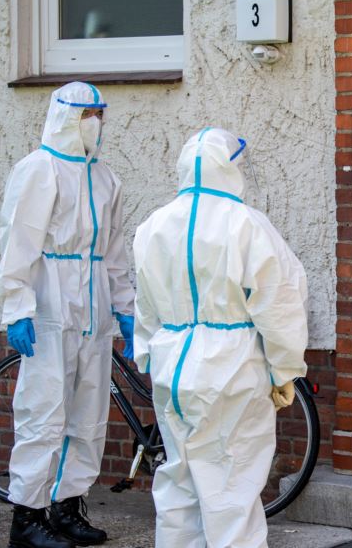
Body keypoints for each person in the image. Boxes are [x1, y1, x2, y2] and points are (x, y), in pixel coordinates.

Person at [132, 128, 309, 548]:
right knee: (231, 487)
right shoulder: (246, 224)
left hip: (172, 366)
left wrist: (147, 354)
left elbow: (145, 303)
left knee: (179, 484)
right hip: (231, 369)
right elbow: (279, 301)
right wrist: (285, 368)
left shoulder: (154, 225)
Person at [0, 81, 135, 548]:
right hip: (51, 300)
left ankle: (67, 504)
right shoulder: (38, 169)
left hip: (93, 302)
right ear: (68, 118)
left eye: (101, 114)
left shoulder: (105, 178)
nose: (97, 123)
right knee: (43, 410)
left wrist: (125, 309)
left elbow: (113, 252)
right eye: (89, 115)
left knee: (88, 412)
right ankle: (27, 517)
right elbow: (18, 242)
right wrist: (17, 306)